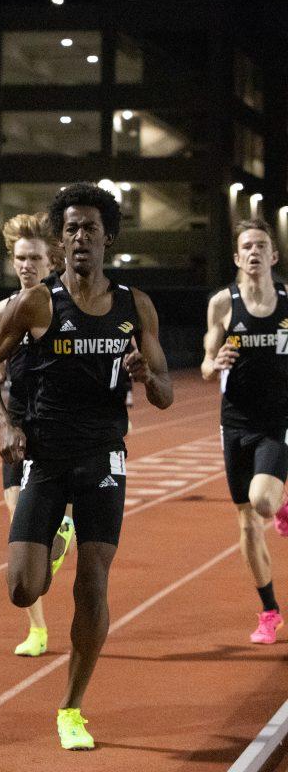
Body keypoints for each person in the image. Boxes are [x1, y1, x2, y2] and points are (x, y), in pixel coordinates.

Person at [0, 182, 173, 751]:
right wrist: (4, 425)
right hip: (47, 459)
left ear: (109, 237)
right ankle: (50, 541)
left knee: (94, 585)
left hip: (104, 458)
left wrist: (145, 375)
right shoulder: (39, 302)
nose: (79, 237)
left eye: (89, 228)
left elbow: (164, 395)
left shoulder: (136, 307)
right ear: (60, 242)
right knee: (22, 589)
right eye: (70, 229)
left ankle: (71, 708)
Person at [0, 213, 74, 658]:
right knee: (18, 522)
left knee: (42, 526)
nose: (26, 265)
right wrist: (4, 421)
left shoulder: (62, 307)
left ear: (50, 259)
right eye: (20, 258)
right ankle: (37, 629)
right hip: (18, 429)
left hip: (55, 429)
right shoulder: (1, 312)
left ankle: (64, 524)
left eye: (35, 258)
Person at [201, 218, 288, 644]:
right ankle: (269, 612)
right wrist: (213, 364)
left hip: (276, 421)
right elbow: (205, 361)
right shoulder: (223, 304)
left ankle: (279, 497)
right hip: (234, 423)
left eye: (261, 245)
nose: (254, 252)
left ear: (274, 255)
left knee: (262, 502)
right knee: (247, 523)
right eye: (246, 247)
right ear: (237, 258)